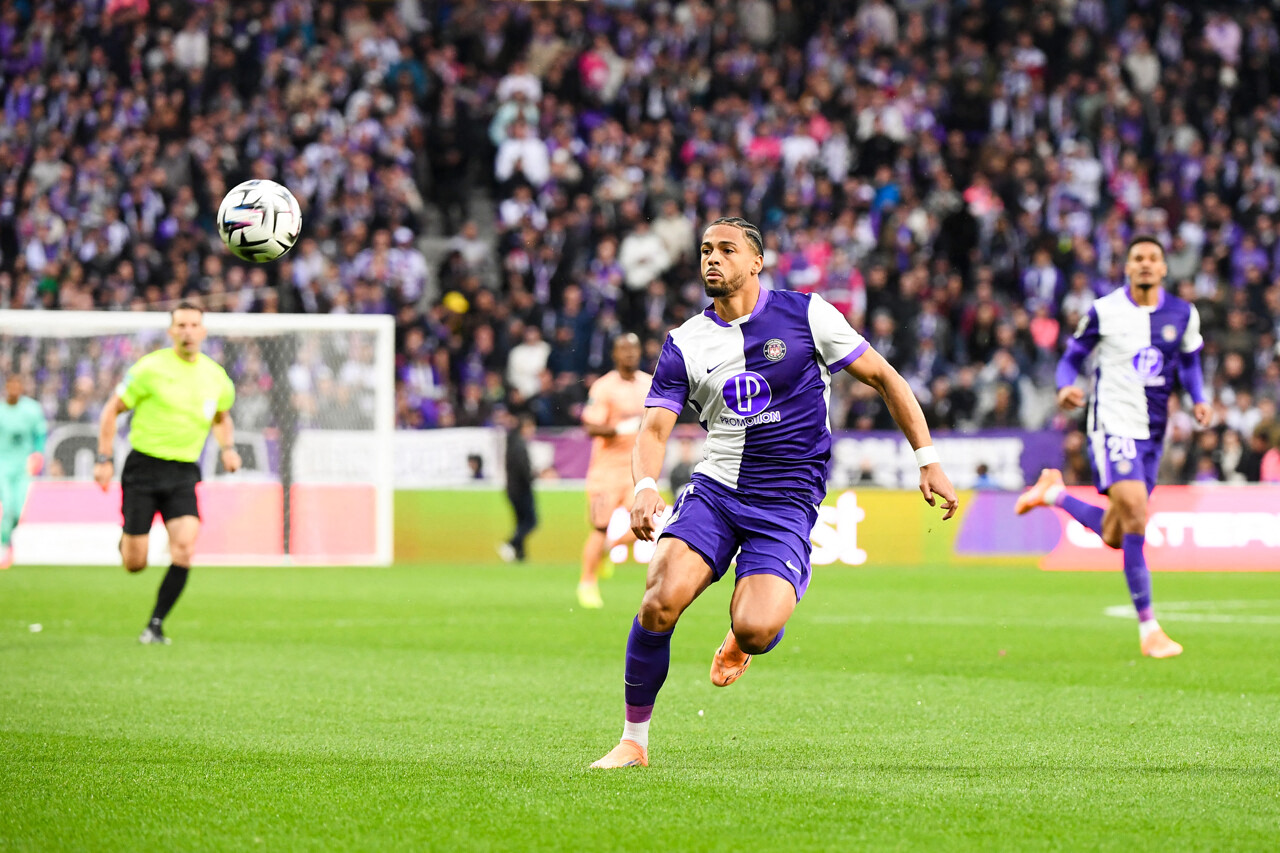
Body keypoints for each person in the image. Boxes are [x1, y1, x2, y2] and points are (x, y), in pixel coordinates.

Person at [590, 218, 958, 769]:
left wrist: (928, 460)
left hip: (786, 502)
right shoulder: (685, 343)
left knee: (758, 629)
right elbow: (655, 429)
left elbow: (886, 377)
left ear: (756, 262)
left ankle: (741, 640)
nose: (712, 259)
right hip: (716, 491)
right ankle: (632, 742)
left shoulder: (808, 315)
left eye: (726, 250)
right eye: (705, 250)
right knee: (659, 600)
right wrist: (644, 485)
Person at [1016, 236, 1210, 659]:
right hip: (1113, 424)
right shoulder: (1105, 310)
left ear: (1164, 268)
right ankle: (1150, 629)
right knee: (1138, 513)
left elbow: (1192, 363)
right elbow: (1073, 356)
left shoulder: (1183, 313)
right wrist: (1067, 385)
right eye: (1137, 257)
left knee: (1117, 532)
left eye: (1152, 259)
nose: (1144, 264)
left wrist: (1199, 398)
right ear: (1127, 266)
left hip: (1153, 433)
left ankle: (1054, 493)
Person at [94, 303, 241, 644]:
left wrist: (228, 448)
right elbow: (111, 410)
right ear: (171, 331)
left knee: (185, 548)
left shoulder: (216, 376)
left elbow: (221, 416)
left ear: (203, 331)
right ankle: (128, 539)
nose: (188, 331)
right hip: (144, 467)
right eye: (181, 325)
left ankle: (156, 624)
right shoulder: (150, 368)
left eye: (194, 324)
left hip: (184, 471)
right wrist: (104, 458)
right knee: (135, 563)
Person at [577, 333, 651, 609]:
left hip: (637, 470)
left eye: (634, 349)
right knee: (599, 527)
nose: (630, 354)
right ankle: (587, 582)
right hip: (606, 472)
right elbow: (590, 427)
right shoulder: (603, 387)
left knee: (650, 523)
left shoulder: (649, 383)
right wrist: (621, 428)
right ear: (615, 355)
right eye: (624, 350)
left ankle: (611, 548)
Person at [0, 375, 47, 569]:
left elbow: (40, 435)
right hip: (2, 464)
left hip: (23, 466)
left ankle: (8, 540)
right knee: (8, 506)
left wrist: (38, 455)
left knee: (18, 511)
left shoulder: (32, 410)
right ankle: (4, 546)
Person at [498, 411, 538, 563]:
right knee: (531, 521)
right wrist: (532, 477)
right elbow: (523, 470)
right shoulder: (519, 445)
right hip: (521, 489)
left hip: (512, 489)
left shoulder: (512, 442)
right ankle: (511, 543)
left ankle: (520, 554)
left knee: (520, 522)